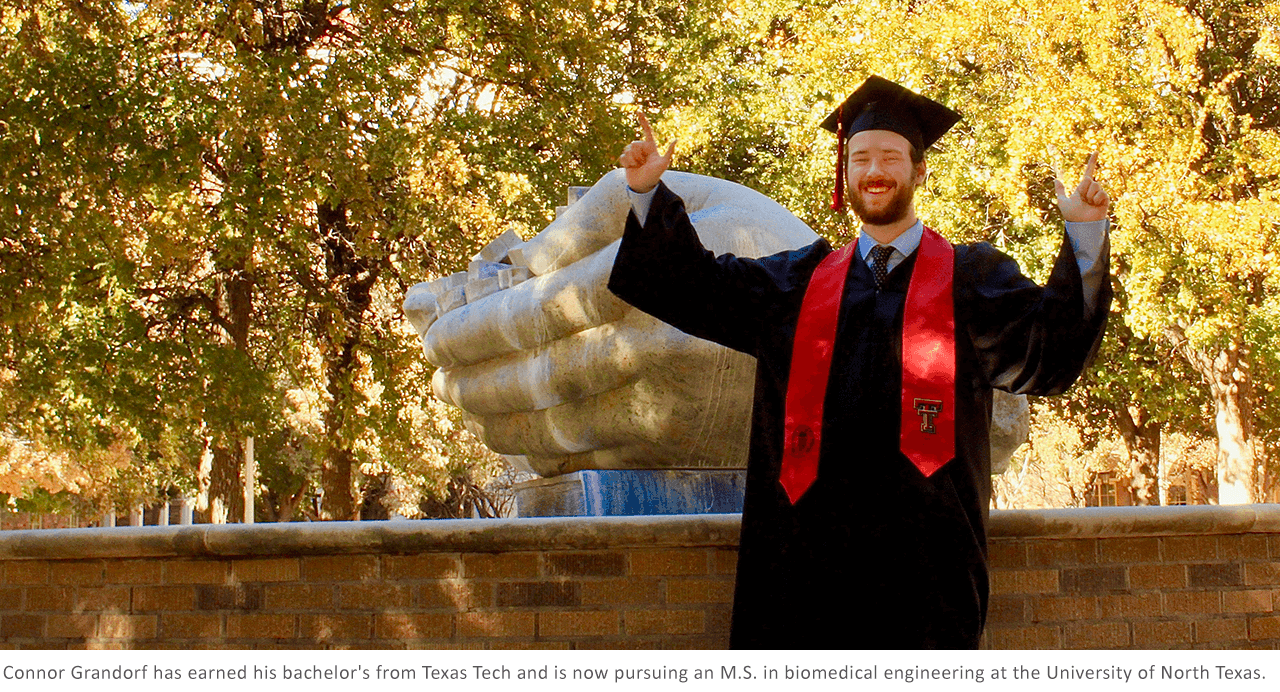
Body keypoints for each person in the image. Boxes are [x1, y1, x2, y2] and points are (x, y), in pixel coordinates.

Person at [607, 76, 1111, 649]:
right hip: (804, 565)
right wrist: (648, 193)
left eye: (891, 157)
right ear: (844, 174)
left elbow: (1053, 344)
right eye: (860, 157)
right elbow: (698, 286)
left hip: (926, 565)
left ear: (919, 172)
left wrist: (1086, 232)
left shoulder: (970, 280)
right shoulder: (798, 283)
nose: (874, 170)